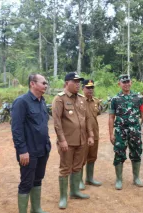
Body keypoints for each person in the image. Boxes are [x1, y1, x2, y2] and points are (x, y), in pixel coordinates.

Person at [52, 72, 94, 209]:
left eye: (79, 82)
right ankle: (63, 197)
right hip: (67, 142)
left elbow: (87, 119)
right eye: (75, 82)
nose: (78, 84)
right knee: (65, 169)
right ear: (66, 83)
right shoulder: (59, 99)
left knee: (77, 167)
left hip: (82, 140)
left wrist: (90, 135)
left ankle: (75, 191)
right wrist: (62, 140)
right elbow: (57, 122)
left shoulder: (81, 99)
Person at [11, 74, 51, 213]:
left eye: (46, 83)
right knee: (26, 182)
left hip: (43, 149)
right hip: (29, 151)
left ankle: (36, 208)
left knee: (38, 179)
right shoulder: (21, 102)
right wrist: (22, 150)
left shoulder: (42, 101)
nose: (46, 85)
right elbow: (17, 129)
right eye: (43, 83)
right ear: (33, 84)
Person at [108, 74, 143, 190]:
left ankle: (136, 178)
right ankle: (119, 179)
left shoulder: (139, 97)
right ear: (119, 84)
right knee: (119, 153)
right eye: (123, 82)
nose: (126, 84)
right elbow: (111, 117)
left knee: (136, 152)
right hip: (120, 131)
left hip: (135, 130)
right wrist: (111, 134)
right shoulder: (115, 99)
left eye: (128, 82)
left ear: (131, 83)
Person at [79, 79, 102, 190]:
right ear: (83, 88)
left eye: (92, 88)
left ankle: (89, 178)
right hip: (83, 134)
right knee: (81, 158)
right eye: (88, 88)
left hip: (95, 133)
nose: (90, 90)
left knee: (92, 157)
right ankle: (79, 181)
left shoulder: (96, 101)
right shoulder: (79, 101)